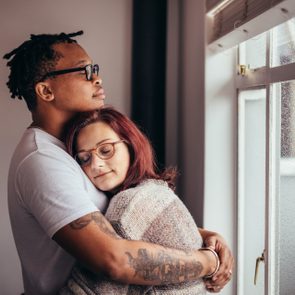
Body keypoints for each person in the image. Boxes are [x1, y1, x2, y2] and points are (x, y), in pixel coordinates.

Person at [3, 31, 234, 295]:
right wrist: (207, 261)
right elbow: (114, 259)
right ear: (45, 90)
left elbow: (120, 221)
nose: (97, 78)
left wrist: (202, 236)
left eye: (95, 69)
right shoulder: (43, 160)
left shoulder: (70, 147)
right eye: (85, 71)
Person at [62, 106, 222, 294]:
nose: (95, 164)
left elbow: (87, 291)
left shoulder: (128, 204)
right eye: (84, 158)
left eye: (106, 150)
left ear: (130, 144)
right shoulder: (155, 191)